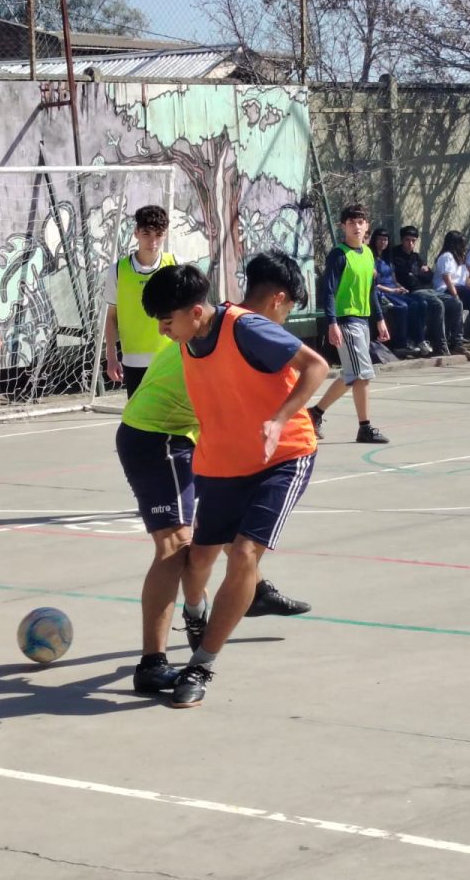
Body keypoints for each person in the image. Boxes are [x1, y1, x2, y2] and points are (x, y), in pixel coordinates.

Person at [116, 259, 313, 695]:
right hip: (161, 437)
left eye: (166, 322)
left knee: (224, 548)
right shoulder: (203, 334)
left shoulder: (229, 329)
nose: (163, 331)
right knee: (178, 549)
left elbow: (306, 371)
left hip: (177, 439)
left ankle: (235, 604)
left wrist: (281, 419)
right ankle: (161, 653)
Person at [307, 203, 391, 444]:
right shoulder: (338, 254)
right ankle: (364, 427)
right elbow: (329, 292)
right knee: (362, 375)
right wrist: (332, 322)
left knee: (351, 374)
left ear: (367, 226)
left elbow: (372, 291)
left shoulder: (368, 254)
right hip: (345, 321)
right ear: (343, 226)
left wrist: (380, 319)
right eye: (351, 222)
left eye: (360, 222)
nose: (356, 226)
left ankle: (314, 414)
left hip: (362, 321)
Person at [104, 205, 177, 397]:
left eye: (158, 234)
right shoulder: (118, 270)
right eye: (146, 234)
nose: (152, 241)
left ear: (165, 235)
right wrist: (111, 357)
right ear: (136, 233)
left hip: (171, 358)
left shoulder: (175, 265)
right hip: (134, 361)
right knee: (139, 422)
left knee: (172, 421)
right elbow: (111, 317)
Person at [392, 225, 467, 356]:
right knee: (437, 304)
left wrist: (415, 274)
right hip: (413, 292)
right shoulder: (396, 256)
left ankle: (457, 342)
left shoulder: (416, 257)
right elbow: (406, 279)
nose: (410, 244)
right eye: (407, 240)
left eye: (413, 241)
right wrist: (418, 273)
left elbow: (429, 276)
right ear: (402, 240)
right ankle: (440, 345)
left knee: (456, 303)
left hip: (428, 289)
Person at [370, 227, 427, 358]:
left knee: (418, 303)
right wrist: (392, 290)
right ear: (374, 240)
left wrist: (400, 287)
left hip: (394, 289)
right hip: (383, 291)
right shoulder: (371, 258)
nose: (383, 242)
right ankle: (400, 344)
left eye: (385, 239)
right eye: (380, 239)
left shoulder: (387, 258)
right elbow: (374, 284)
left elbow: (394, 279)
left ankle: (417, 339)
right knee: (403, 307)